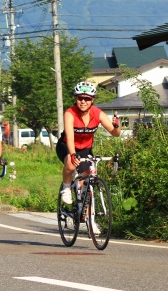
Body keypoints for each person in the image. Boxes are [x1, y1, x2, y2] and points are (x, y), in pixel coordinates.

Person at [57, 81, 121, 231]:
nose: (83, 102)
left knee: (87, 182)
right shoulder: (70, 113)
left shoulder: (97, 114)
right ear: (76, 99)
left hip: (85, 149)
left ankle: (90, 219)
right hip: (66, 145)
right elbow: (70, 138)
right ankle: (66, 187)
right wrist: (72, 155)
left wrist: (117, 125)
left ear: (92, 100)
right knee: (71, 163)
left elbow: (115, 134)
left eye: (87, 99)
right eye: (80, 98)